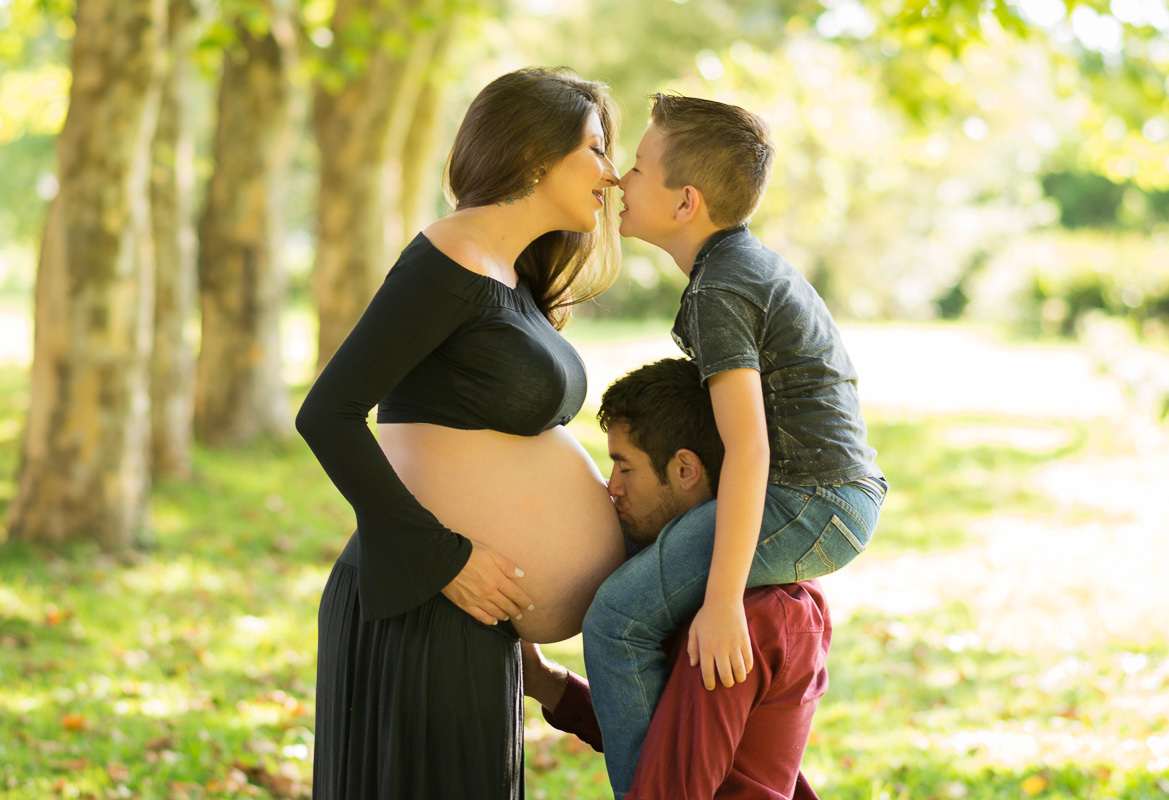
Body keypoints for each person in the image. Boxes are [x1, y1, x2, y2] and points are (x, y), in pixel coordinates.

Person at [295, 67, 628, 800]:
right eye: (597, 149)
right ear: (535, 154)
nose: (612, 174)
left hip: (474, 616)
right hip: (425, 603)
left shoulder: (507, 273)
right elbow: (328, 414)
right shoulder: (447, 259)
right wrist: (442, 560)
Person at [582, 94, 889, 797]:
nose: (618, 181)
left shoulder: (723, 285)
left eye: (635, 168)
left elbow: (748, 450)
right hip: (823, 496)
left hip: (811, 500)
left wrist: (722, 602)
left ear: (685, 202)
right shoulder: (732, 270)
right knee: (639, 581)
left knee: (618, 621)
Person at [526, 357, 833, 800]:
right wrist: (543, 681)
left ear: (685, 470)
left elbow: (673, 786)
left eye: (625, 467)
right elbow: (666, 731)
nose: (612, 487)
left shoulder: (742, 617)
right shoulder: (684, 586)